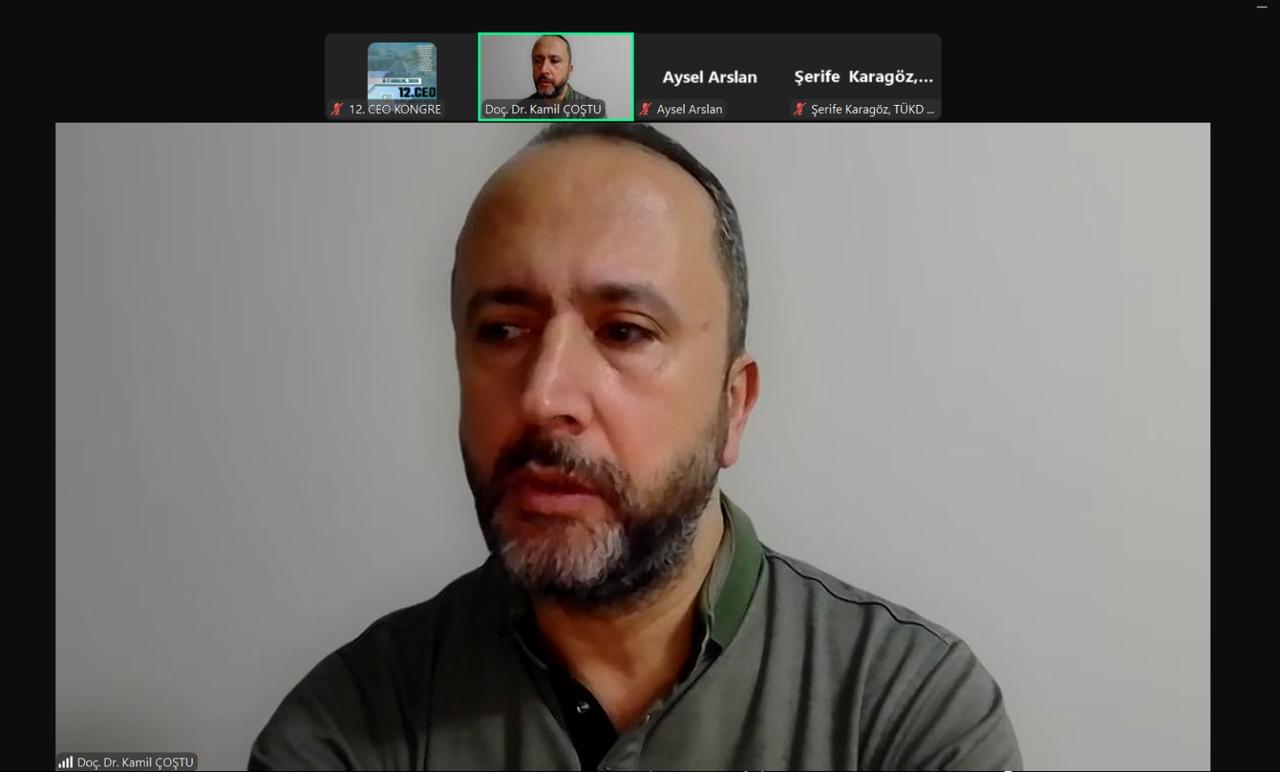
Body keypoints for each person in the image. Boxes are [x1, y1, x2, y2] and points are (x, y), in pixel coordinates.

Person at [248, 123, 1023, 770]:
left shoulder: (904, 713)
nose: (543, 396)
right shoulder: (347, 730)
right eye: (503, 330)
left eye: (624, 331)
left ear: (732, 405)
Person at [516, 35, 607, 118]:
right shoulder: (518, 112)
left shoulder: (593, 113)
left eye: (554, 61)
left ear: (569, 70)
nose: (543, 70)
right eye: (537, 61)